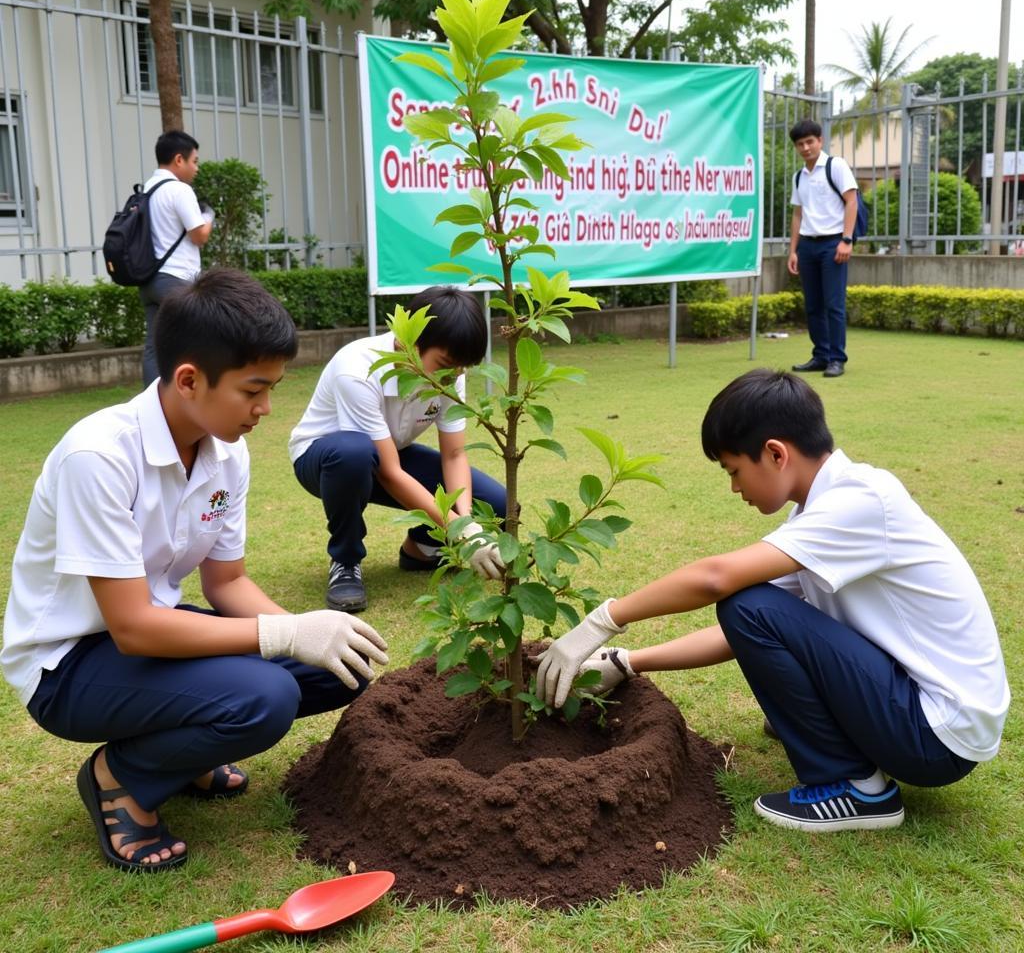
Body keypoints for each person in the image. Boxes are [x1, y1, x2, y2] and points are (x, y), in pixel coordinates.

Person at [1, 269, 389, 872]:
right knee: (266, 696)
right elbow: (131, 627)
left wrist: (316, 632)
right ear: (188, 379)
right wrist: (285, 637)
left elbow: (226, 583)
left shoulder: (225, 450)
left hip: (154, 635)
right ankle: (119, 778)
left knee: (341, 672)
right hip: (69, 663)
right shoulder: (98, 456)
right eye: (253, 390)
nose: (265, 409)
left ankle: (188, 746)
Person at [535, 369, 1009, 833]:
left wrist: (601, 622)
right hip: (928, 718)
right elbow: (741, 635)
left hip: (935, 734)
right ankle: (842, 744)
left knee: (746, 603)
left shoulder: (860, 502)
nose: (735, 488)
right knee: (751, 610)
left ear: (775, 453)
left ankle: (859, 790)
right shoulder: (823, 514)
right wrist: (626, 661)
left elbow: (718, 581)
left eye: (734, 471)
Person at [290, 285, 506, 613]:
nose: (454, 376)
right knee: (354, 453)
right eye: (446, 364)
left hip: (390, 451)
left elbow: (454, 454)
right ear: (407, 343)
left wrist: (466, 523)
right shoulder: (358, 370)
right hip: (326, 458)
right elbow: (389, 473)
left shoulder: (450, 374)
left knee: (497, 505)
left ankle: (420, 550)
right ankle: (345, 563)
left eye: (462, 367)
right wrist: (462, 532)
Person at [139, 130, 214, 387]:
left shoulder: (147, 189)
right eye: (194, 161)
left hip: (150, 279)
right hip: (176, 278)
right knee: (193, 340)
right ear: (179, 159)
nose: (196, 168)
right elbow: (199, 235)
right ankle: (190, 397)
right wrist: (209, 217)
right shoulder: (179, 191)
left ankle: (151, 402)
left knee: (154, 347)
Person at [786, 119, 860, 378]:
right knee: (813, 305)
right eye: (800, 144)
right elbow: (798, 214)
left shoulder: (835, 166)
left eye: (810, 142)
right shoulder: (800, 176)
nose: (805, 148)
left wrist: (846, 240)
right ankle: (821, 355)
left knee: (834, 304)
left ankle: (837, 359)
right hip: (807, 245)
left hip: (833, 244)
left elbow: (852, 202)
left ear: (820, 141)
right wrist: (793, 250)